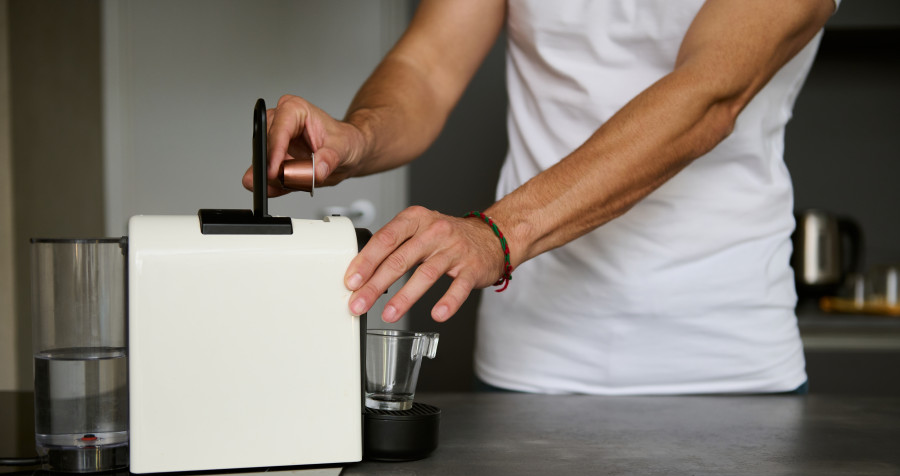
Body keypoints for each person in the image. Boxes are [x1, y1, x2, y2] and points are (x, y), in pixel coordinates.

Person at [244, 0, 839, 394]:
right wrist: (359, 136)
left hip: (726, 361)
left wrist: (499, 233)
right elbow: (427, 66)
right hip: (531, 360)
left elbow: (708, 95)